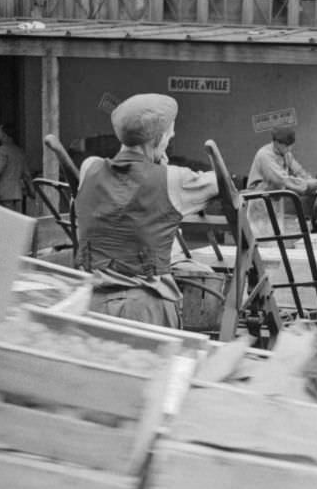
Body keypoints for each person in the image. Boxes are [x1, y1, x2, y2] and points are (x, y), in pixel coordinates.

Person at [74, 93, 218, 328]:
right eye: (170, 132)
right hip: (147, 311)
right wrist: (164, 167)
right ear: (158, 138)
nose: (172, 135)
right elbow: (220, 182)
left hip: (92, 305)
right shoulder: (173, 179)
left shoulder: (89, 167)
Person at [246, 127, 317, 236]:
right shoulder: (264, 155)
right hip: (259, 201)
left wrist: (312, 181)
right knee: (262, 238)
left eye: (291, 145)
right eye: (286, 146)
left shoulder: (285, 153)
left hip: (274, 199)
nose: (289, 149)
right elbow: (282, 179)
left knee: (275, 237)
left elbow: (298, 170)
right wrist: (308, 186)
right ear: (276, 142)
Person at [0, 123, 32, 212]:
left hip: (4, 192)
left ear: (4, 134)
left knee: (6, 221)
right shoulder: (19, 151)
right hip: (18, 193)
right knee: (18, 221)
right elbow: (26, 174)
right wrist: (31, 191)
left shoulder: (2, 150)